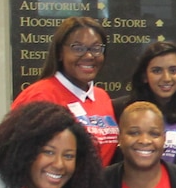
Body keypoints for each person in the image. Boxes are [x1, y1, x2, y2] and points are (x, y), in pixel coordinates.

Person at [10, 15, 118, 166]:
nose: (88, 55)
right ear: (60, 53)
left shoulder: (102, 97)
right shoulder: (39, 96)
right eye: (78, 48)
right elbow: (17, 158)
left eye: (96, 49)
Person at [115, 40, 176, 171]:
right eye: (157, 71)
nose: (166, 78)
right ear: (145, 76)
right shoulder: (119, 110)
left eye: (173, 70)